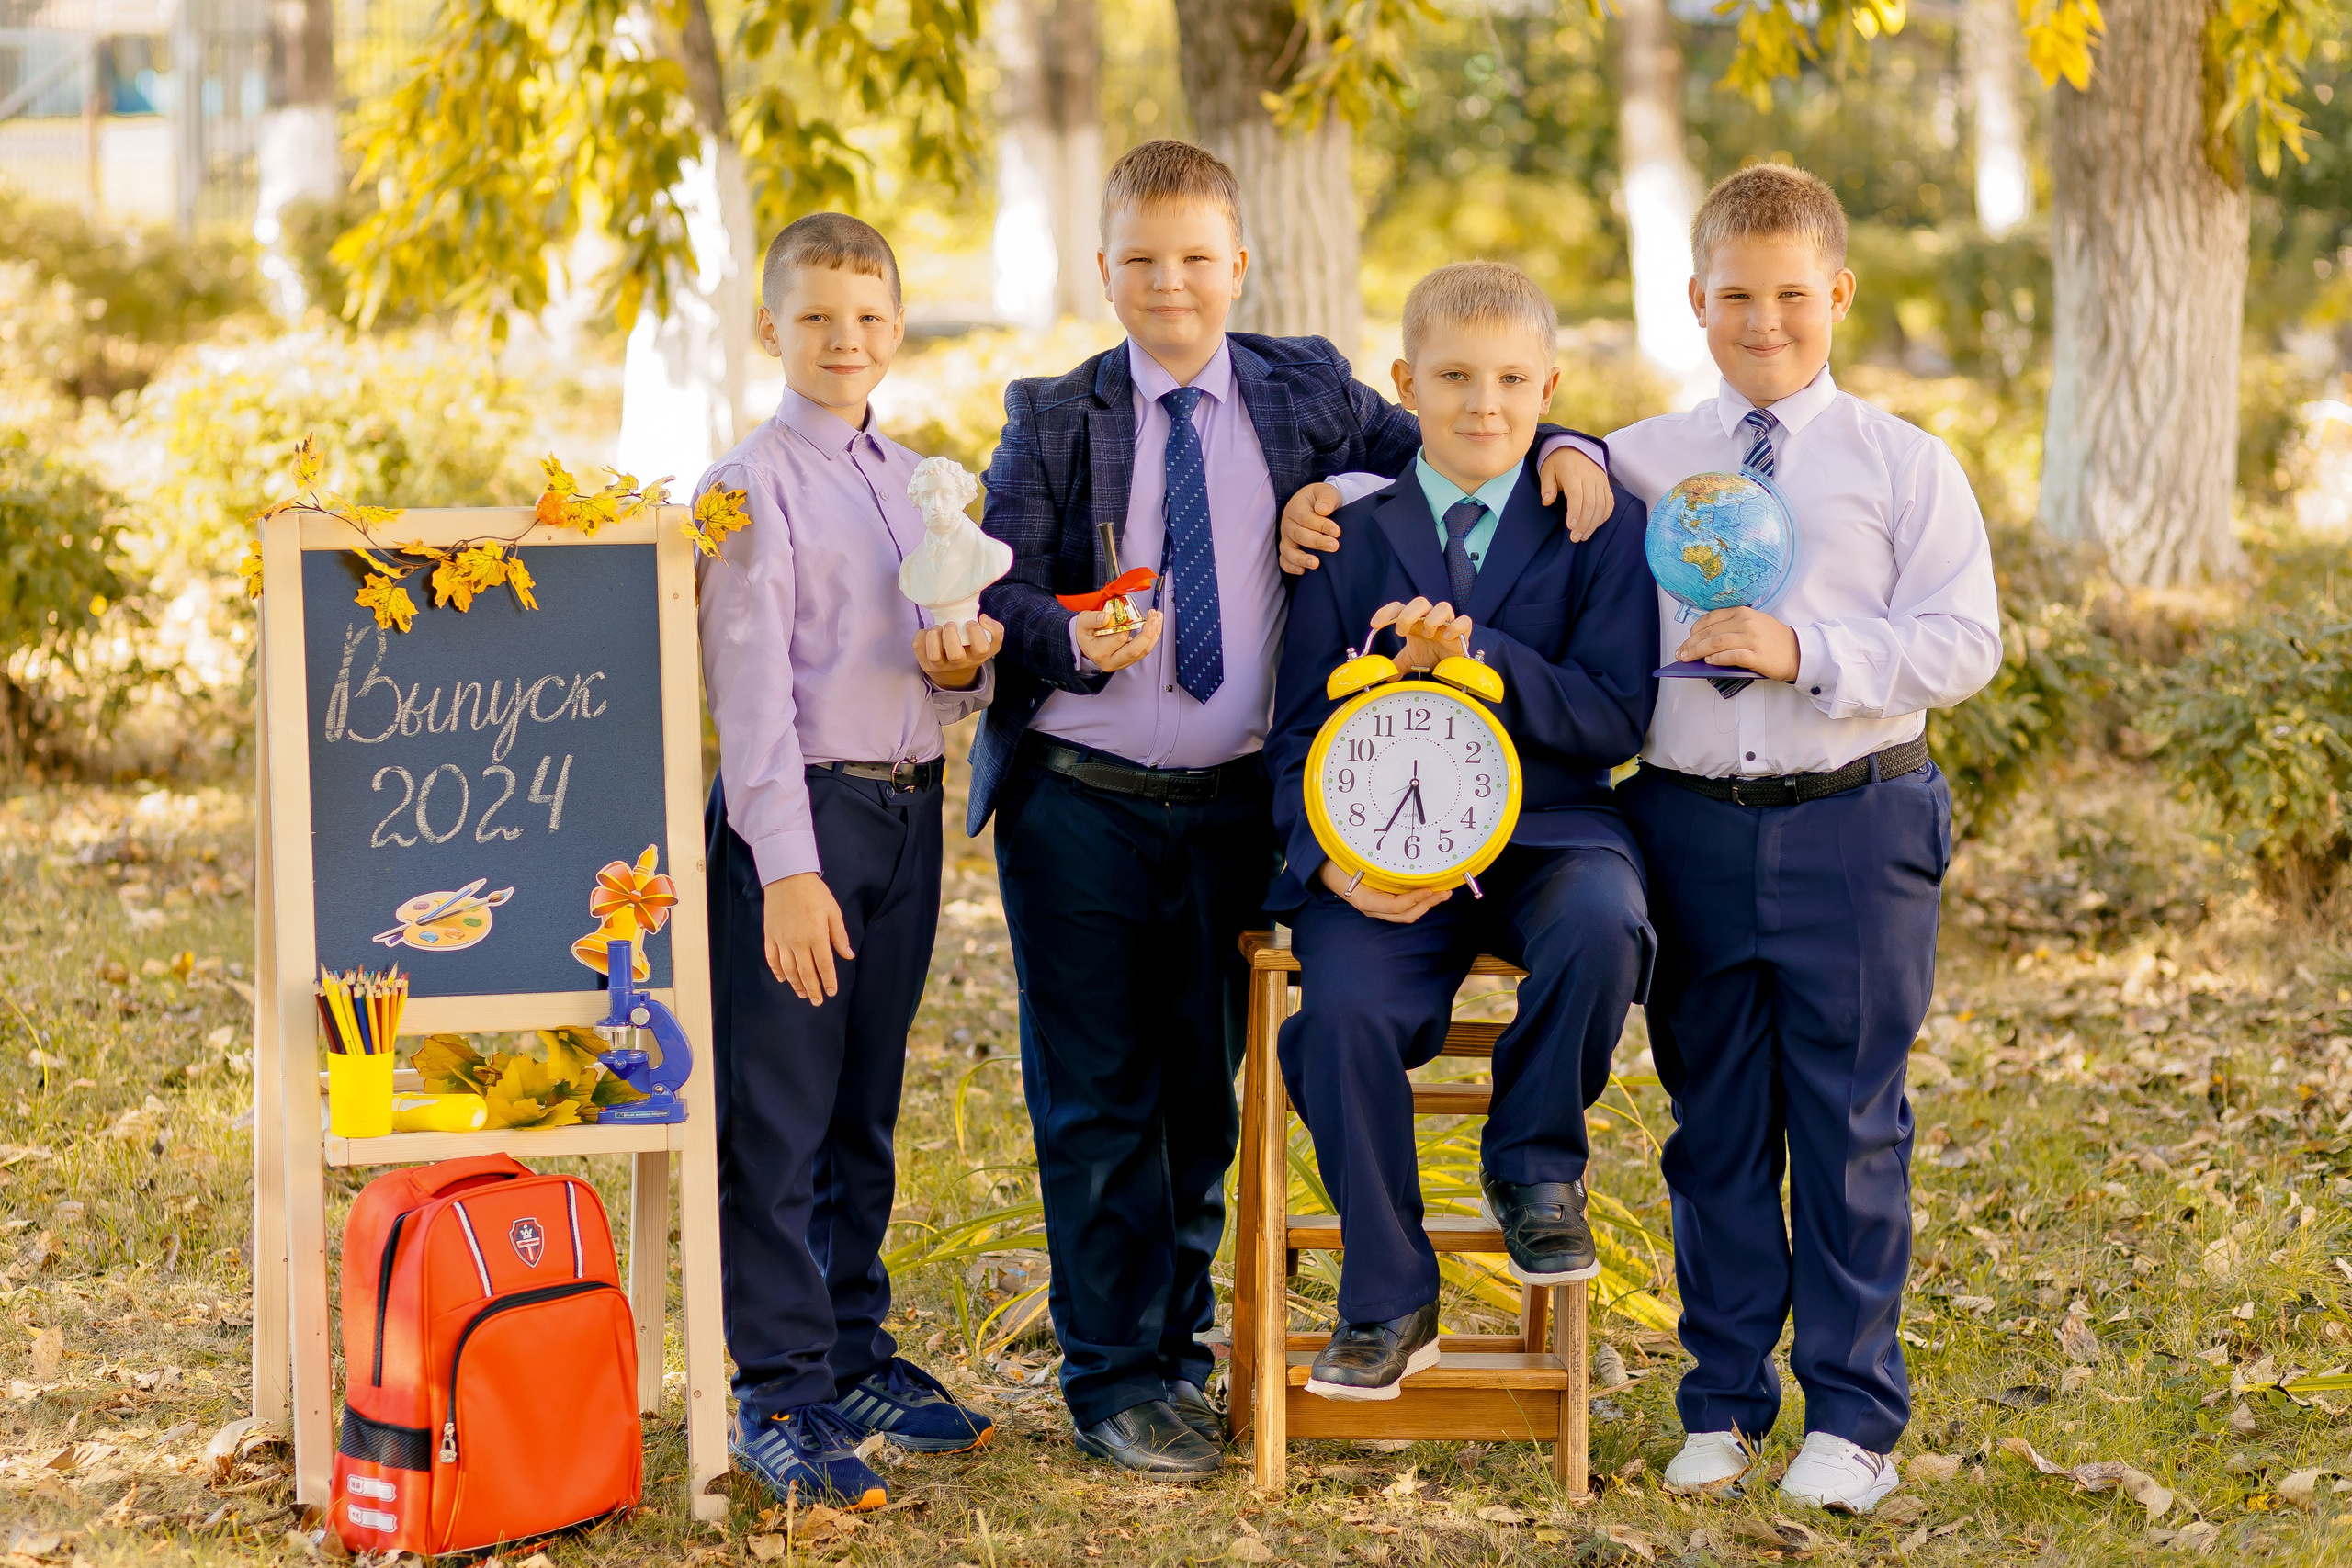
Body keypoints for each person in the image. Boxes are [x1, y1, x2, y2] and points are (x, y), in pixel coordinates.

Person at [1278, 165, 2002, 1513]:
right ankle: (1722, 1401)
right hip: (1689, 822)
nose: (1766, 319)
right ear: (1696, 302)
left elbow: (1969, 641)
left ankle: (1850, 1416)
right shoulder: (1634, 458)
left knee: (1849, 1123)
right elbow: (1467, 441)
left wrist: (1810, 648)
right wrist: (1321, 492)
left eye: (1794, 294)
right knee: (1714, 1124)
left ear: (1838, 294)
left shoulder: (1907, 463)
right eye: (1737, 295)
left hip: (1855, 809)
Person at [969, 139, 1615, 1480]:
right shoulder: (1049, 413)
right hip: (1079, 800)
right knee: (1095, 1094)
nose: (1171, 283)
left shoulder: (1306, 389)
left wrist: (1571, 442)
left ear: (1239, 267)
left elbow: (1464, 427)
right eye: (1142, 260)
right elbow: (993, 597)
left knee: (1199, 1101)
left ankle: (1181, 1354)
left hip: (1233, 810)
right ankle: (1112, 1374)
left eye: (1198, 258)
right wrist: (1061, 638)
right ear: (1104, 272)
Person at [1263, 262, 1657, 1401]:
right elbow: (1294, 733)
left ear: (1548, 390)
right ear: (1405, 383)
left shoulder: (1595, 521)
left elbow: (1617, 715)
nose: (1483, 405)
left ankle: (1532, 1163)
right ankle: (1389, 1295)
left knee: (1606, 924)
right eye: (1452, 378)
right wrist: (1331, 861)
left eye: (1510, 381)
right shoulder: (1349, 534)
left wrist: (1484, 659)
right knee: (1334, 1015)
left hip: (1548, 832)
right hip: (1380, 846)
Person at [695, 212, 1004, 1513]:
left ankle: (856, 1348)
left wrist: (961, 675)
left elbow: (917, 661)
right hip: (800, 825)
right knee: (780, 1114)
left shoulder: (913, 476)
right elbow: (753, 689)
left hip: (903, 811)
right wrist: (787, 867)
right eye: (819, 317)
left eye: (871, 318)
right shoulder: (747, 485)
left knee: (861, 1103)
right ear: (771, 328)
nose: (848, 340)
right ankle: (778, 1388)